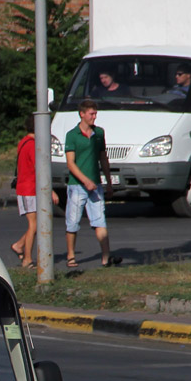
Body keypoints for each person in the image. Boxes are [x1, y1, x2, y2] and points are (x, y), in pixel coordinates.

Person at [64, 99, 118, 268]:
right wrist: (85, 180)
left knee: (100, 220)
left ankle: (106, 256)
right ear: (82, 114)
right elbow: (70, 163)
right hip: (77, 185)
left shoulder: (99, 133)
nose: (94, 117)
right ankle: (71, 256)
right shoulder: (72, 135)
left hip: (95, 185)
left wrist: (108, 182)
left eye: (95, 113)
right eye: (91, 114)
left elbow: (103, 158)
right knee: (73, 222)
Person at [11, 114, 39, 269]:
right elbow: (39, 168)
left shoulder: (23, 142)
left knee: (35, 224)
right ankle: (27, 259)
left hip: (23, 187)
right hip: (30, 189)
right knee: (34, 225)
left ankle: (19, 246)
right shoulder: (33, 145)